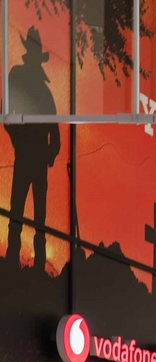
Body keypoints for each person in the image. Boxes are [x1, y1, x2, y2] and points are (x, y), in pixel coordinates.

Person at [5, 27, 61, 274]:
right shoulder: (17, 77)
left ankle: (38, 265)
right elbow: (7, 114)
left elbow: (56, 137)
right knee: (18, 211)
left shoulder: (46, 95)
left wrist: (48, 154)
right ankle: (12, 261)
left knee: (38, 217)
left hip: (35, 158)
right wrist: (18, 139)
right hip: (26, 153)